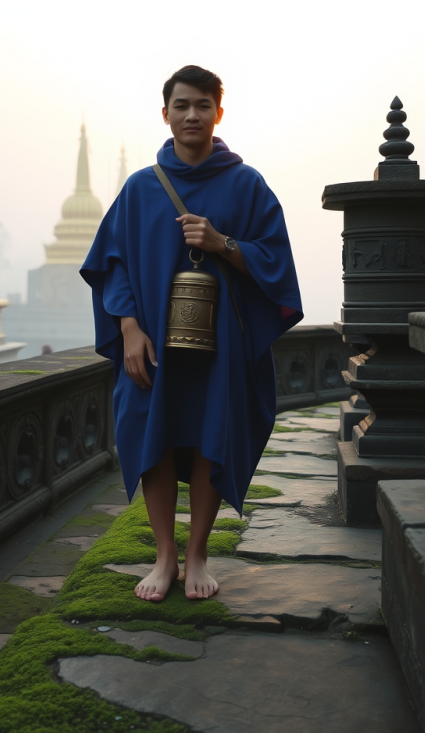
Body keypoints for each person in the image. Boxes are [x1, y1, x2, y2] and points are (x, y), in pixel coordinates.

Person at [81, 65, 302, 603]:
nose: (191, 115)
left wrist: (224, 242)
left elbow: (277, 261)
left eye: (203, 105)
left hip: (220, 341)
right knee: (150, 436)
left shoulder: (246, 184)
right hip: (152, 339)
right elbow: (113, 265)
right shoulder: (139, 190)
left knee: (210, 438)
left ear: (218, 113)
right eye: (181, 105)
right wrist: (129, 328)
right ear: (166, 114)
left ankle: (198, 552)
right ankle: (164, 556)